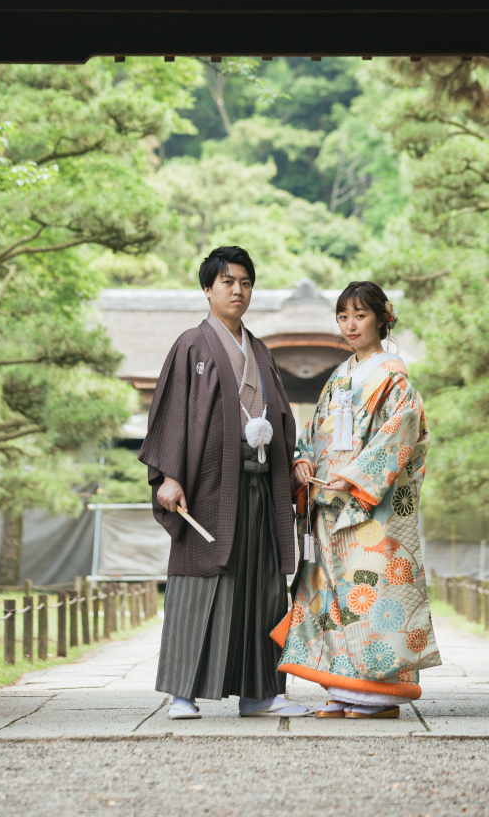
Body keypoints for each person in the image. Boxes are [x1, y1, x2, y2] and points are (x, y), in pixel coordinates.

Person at [138, 245, 310, 719]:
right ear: (208, 289)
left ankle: (261, 694)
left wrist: (291, 461)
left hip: (260, 485)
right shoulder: (192, 344)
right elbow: (173, 412)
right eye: (228, 281)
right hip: (210, 485)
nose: (238, 290)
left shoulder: (259, 349)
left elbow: (280, 417)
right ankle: (181, 693)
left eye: (246, 282)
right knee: (201, 581)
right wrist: (170, 476)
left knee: (264, 588)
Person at [274, 280, 441, 717]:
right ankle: (345, 688)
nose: (350, 325)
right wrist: (303, 461)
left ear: (382, 318)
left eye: (360, 315)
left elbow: (399, 436)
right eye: (343, 316)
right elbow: (312, 433)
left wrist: (354, 477)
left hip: (371, 505)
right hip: (328, 504)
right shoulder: (339, 377)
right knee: (333, 598)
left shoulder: (394, 378)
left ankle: (381, 696)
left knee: (373, 593)